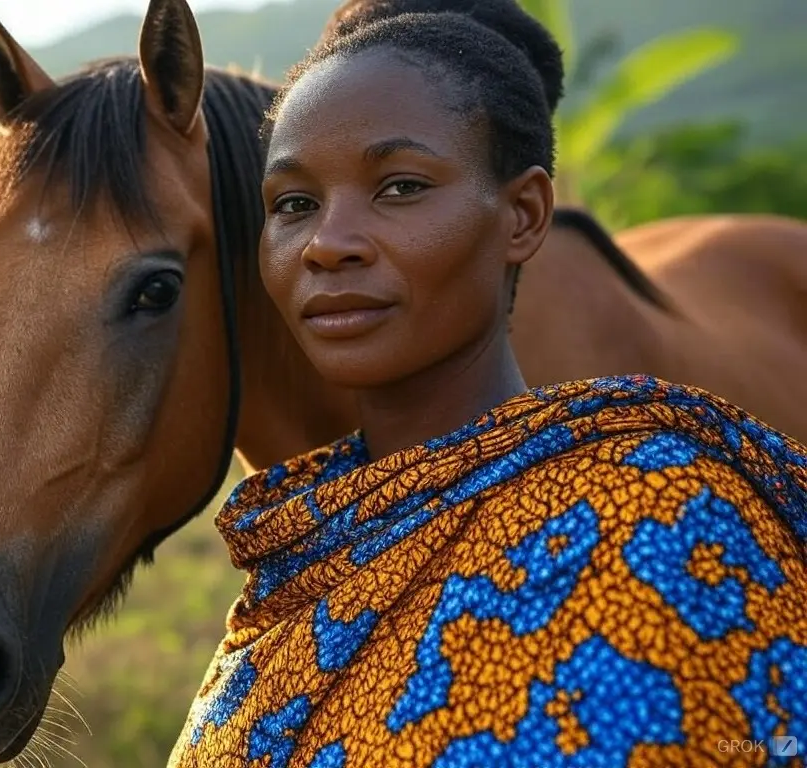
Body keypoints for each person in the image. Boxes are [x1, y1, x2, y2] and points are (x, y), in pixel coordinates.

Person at [167, 5, 807, 767]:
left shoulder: (659, 526)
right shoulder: (293, 563)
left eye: (399, 187)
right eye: (294, 205)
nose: (326, 244)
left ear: (525, 215)